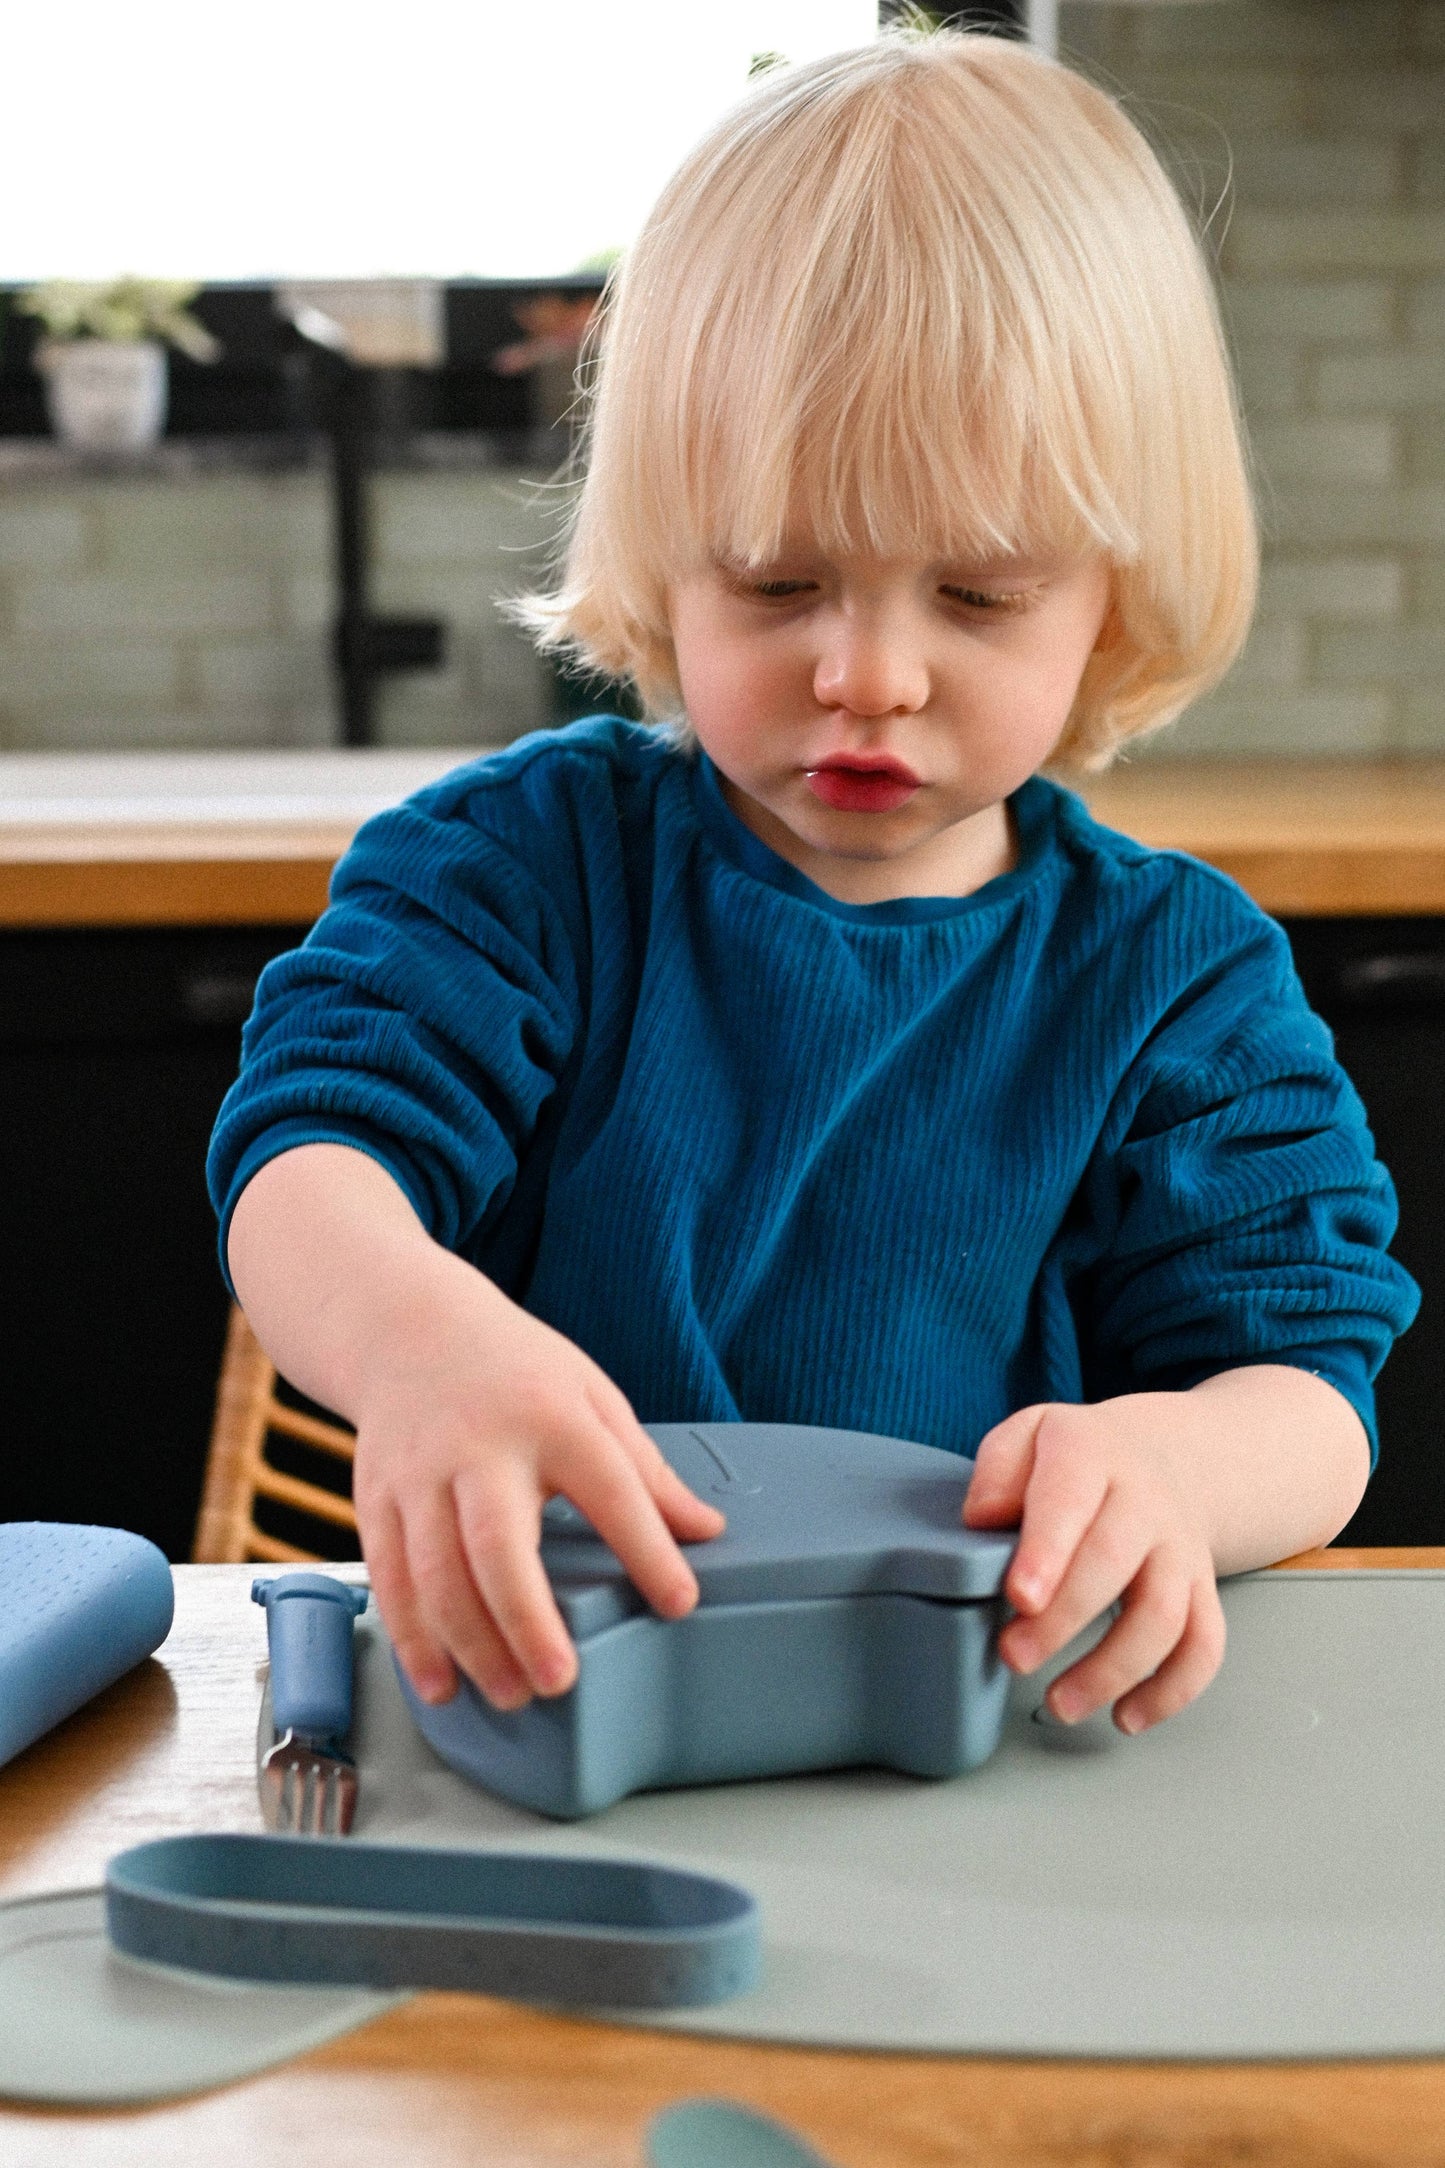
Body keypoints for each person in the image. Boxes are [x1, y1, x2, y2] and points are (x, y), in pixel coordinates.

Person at [211, 27, 1417, 1743]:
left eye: (980, 594)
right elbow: (308, 1164)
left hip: (971, 1725)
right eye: (779, 581)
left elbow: (1310, 1388)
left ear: (1116, 600)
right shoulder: (520, 870)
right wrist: (416, 1341)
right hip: (550, 1696)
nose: (869, 673)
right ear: (659, 556)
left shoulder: (1170, 973)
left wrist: (1176, 1465)